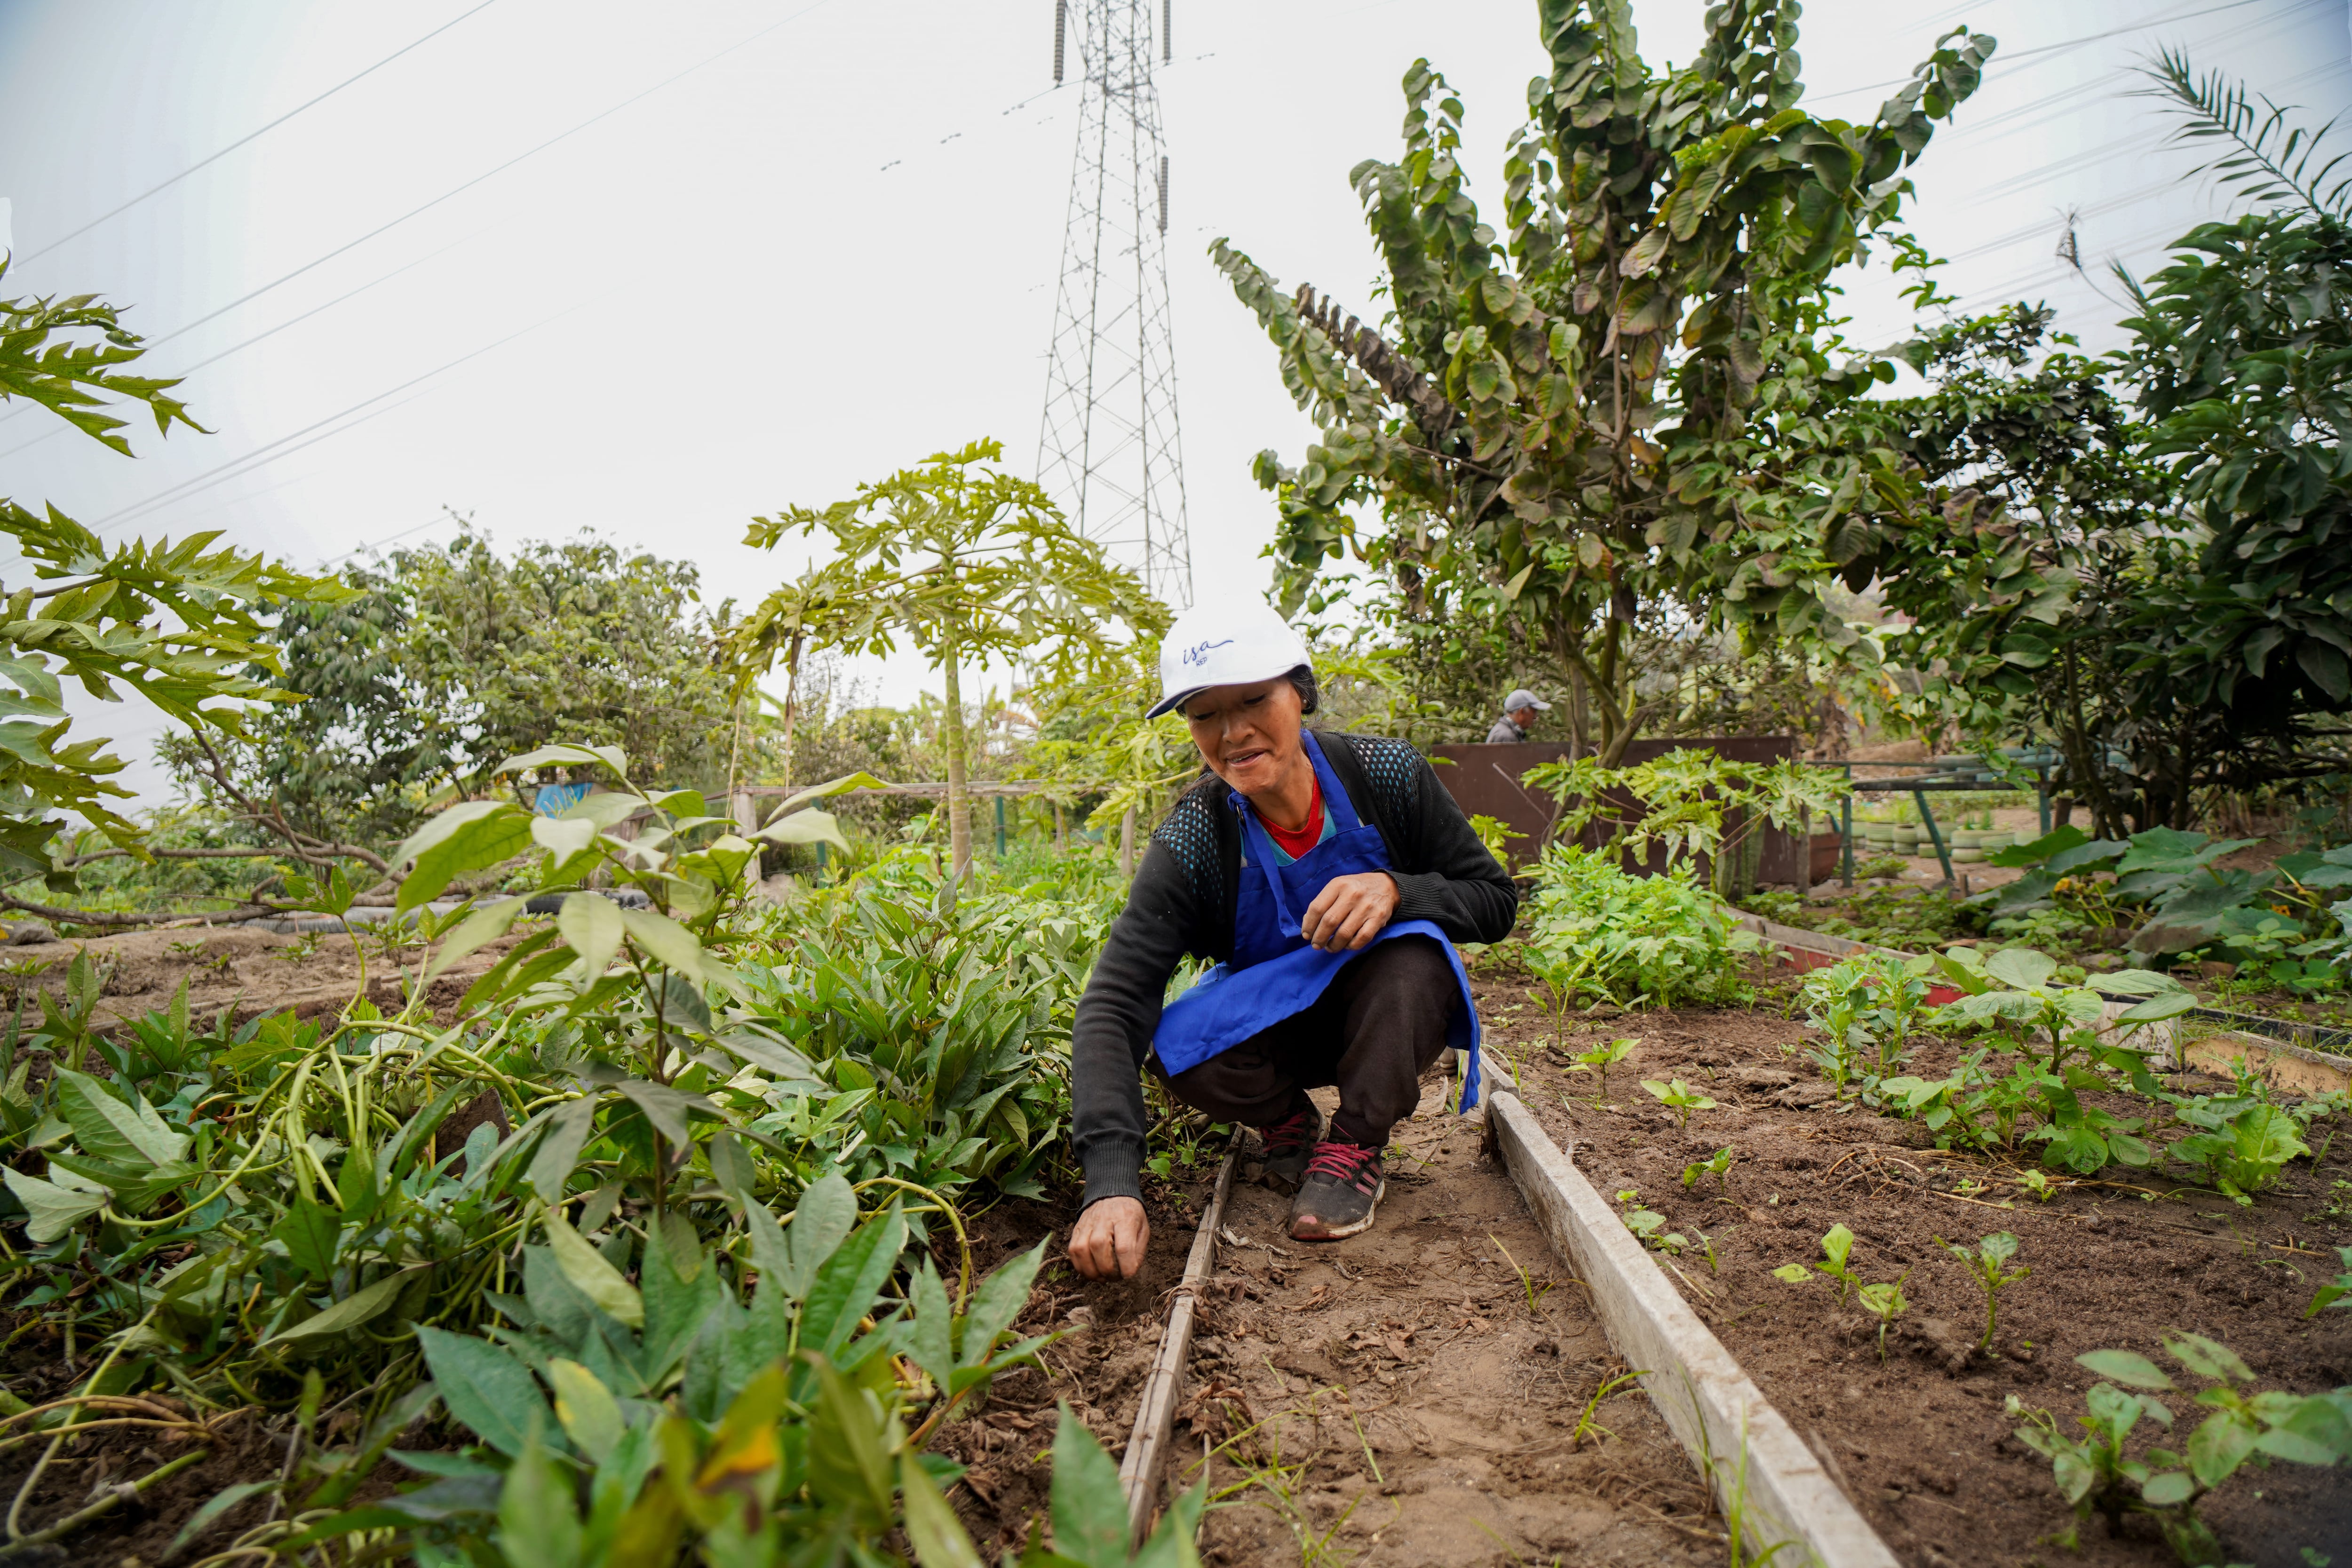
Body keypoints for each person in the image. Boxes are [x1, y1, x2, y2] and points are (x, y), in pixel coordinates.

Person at [1065, 601, 1518, 1279]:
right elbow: (1114, 1001)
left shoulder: (1384, 775)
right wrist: (1110, 1180)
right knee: (1174, 1033)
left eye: (1254, 699)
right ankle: (1286, 1123)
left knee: (1415, 953)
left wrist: (1399, 890)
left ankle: (1358, 1143)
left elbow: (1496, 901)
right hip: (1280, 1024)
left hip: (1385, 1015)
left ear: (1300, 693)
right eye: (1204, 713)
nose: (1234, 732)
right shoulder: (1196, 838)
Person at [1485, 688, 1550, 744]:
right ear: (1522, 712)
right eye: (1534, 712)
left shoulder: (1509, 732)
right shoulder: (1506, 736)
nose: (1536, 717)